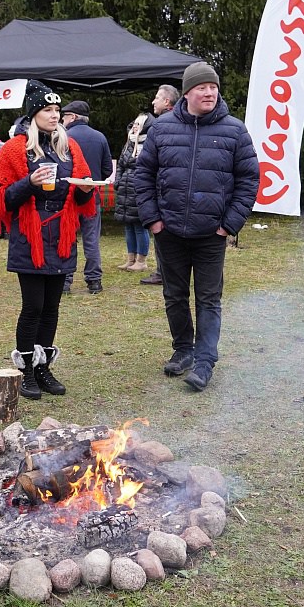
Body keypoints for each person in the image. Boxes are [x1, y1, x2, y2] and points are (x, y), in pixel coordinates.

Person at [134, 62, 259, 392]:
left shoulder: (234, 131)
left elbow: (249, 180)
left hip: (210, 234)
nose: (209, 92)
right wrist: (154, 220)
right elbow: (143, 175)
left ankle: (204, 362)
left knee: (208, 299)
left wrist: (228, 225)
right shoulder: (161, 129)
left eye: (213, 87)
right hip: (169, 231)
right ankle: (183, 349)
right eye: (202, 87)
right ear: (187, 92)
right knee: (174, 295)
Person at [0, 80, 96, 400]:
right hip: (29, 236)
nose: (54, 115)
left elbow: (79, 191)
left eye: (57, 110)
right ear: (33, 113)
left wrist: (85, 188)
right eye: (47, 110)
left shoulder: (69, 147)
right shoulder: (14, 148)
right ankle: (24, 371)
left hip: (60, 235)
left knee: (52, 307)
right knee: (33, 306)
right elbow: (1, 199)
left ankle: (43, 367)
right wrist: (30, 183)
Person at [59, 99, 112, 294]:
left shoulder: (63, 137)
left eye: (64, 116)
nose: (61, 120)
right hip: (91, 194)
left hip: (68, 196)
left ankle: (65, 281)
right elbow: (107, 169)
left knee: (67, 237)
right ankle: (94, 280)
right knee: (91, 239)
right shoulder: (100, 137)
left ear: (72, 117)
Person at [139, 84, 180, 285]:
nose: (153, 101)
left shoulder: (161, 124)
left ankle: (163, 273)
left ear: (166, 102)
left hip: (164, 192)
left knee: (165, 237)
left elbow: (149, 166)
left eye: (157, 97)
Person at [113, 112, 152, 273]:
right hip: (125, 189)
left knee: (139, 226)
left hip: (139, 189)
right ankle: (131, 259)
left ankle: (141, 261)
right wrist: (118, 181)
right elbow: (122, 163)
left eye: (139, 124)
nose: (135, 126)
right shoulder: (129, 142)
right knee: (128, 225)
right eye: (134, 123)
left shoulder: (149, 143)